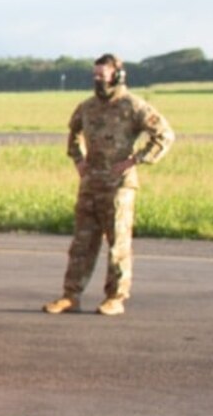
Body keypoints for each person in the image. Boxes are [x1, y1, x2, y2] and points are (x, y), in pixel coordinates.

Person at [43, 54, 175, 317]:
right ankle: (71, 295)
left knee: (118, 244)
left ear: (116, 75)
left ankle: (115, 297)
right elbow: (74, 134)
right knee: (82, 244)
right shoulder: (87, 107)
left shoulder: (133, 106)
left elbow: (164, 135)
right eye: (95, 76)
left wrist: (136, 159)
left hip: (119, 187)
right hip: (90, 184)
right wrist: (78, 160)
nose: (98, 81)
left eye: (102, 76)